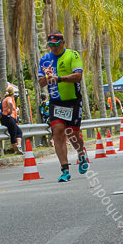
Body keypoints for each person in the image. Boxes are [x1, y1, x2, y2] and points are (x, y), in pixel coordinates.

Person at [37, 31, 87, 182]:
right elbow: (40, 82)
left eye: (56, 44)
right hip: (55, 102)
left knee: (73, 135)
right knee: (58, 132)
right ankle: (64, 169)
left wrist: (58, 79)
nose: (53, 48)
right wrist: (46, 78)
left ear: (63, 42)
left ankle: (81, 153)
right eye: (50, 45)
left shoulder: (73, 55)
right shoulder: (45, 60)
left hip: (73, 101)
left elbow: (78, 77)